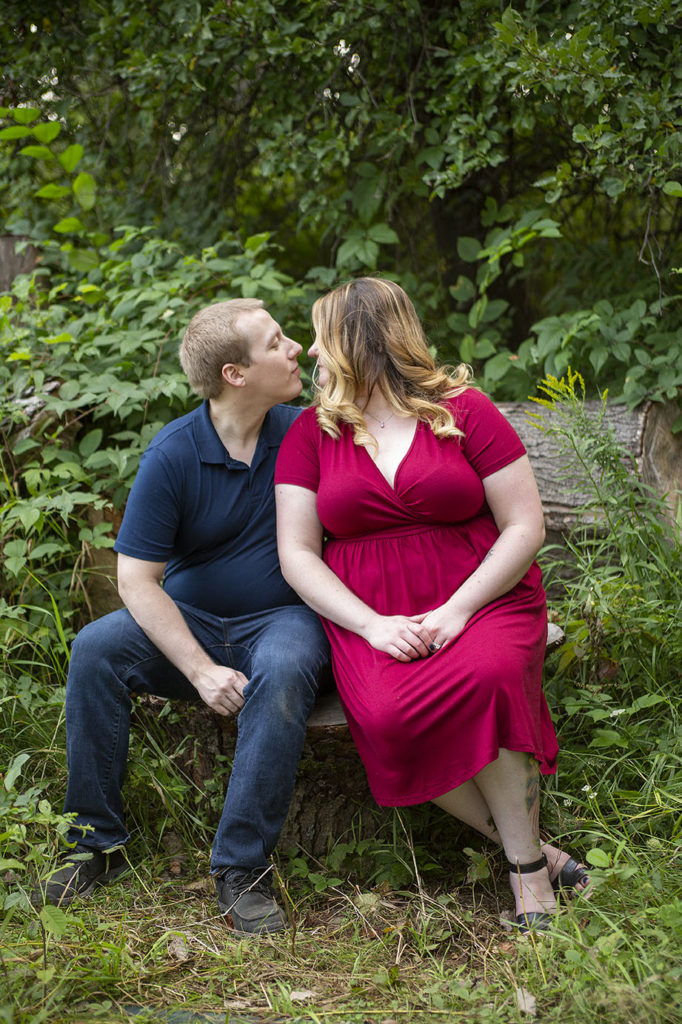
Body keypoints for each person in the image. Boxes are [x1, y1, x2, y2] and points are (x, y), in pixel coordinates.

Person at [275, 277, 589, 932]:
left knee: (490, 678)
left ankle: (529, 873)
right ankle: (544, 854)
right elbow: (298, 554)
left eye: (320, 336)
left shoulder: (466, 410)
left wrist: (458, 610)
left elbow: (524, 527)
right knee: (388, 718)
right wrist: (370, 624)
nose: (309, 351)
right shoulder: (311, 433)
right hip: (374, 614)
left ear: (359, 342)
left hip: (483, 595)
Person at [38, 298, 330, 934]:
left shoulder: (306, 431)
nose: (294, 350)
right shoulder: (173, 453)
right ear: (235, 374)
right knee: (95, 650)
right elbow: (135, 581)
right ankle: (95, 847)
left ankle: (241, 868)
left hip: (283, 618)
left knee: (283, 668)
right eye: (276, 342)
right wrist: (199, 671)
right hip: (191, 620)